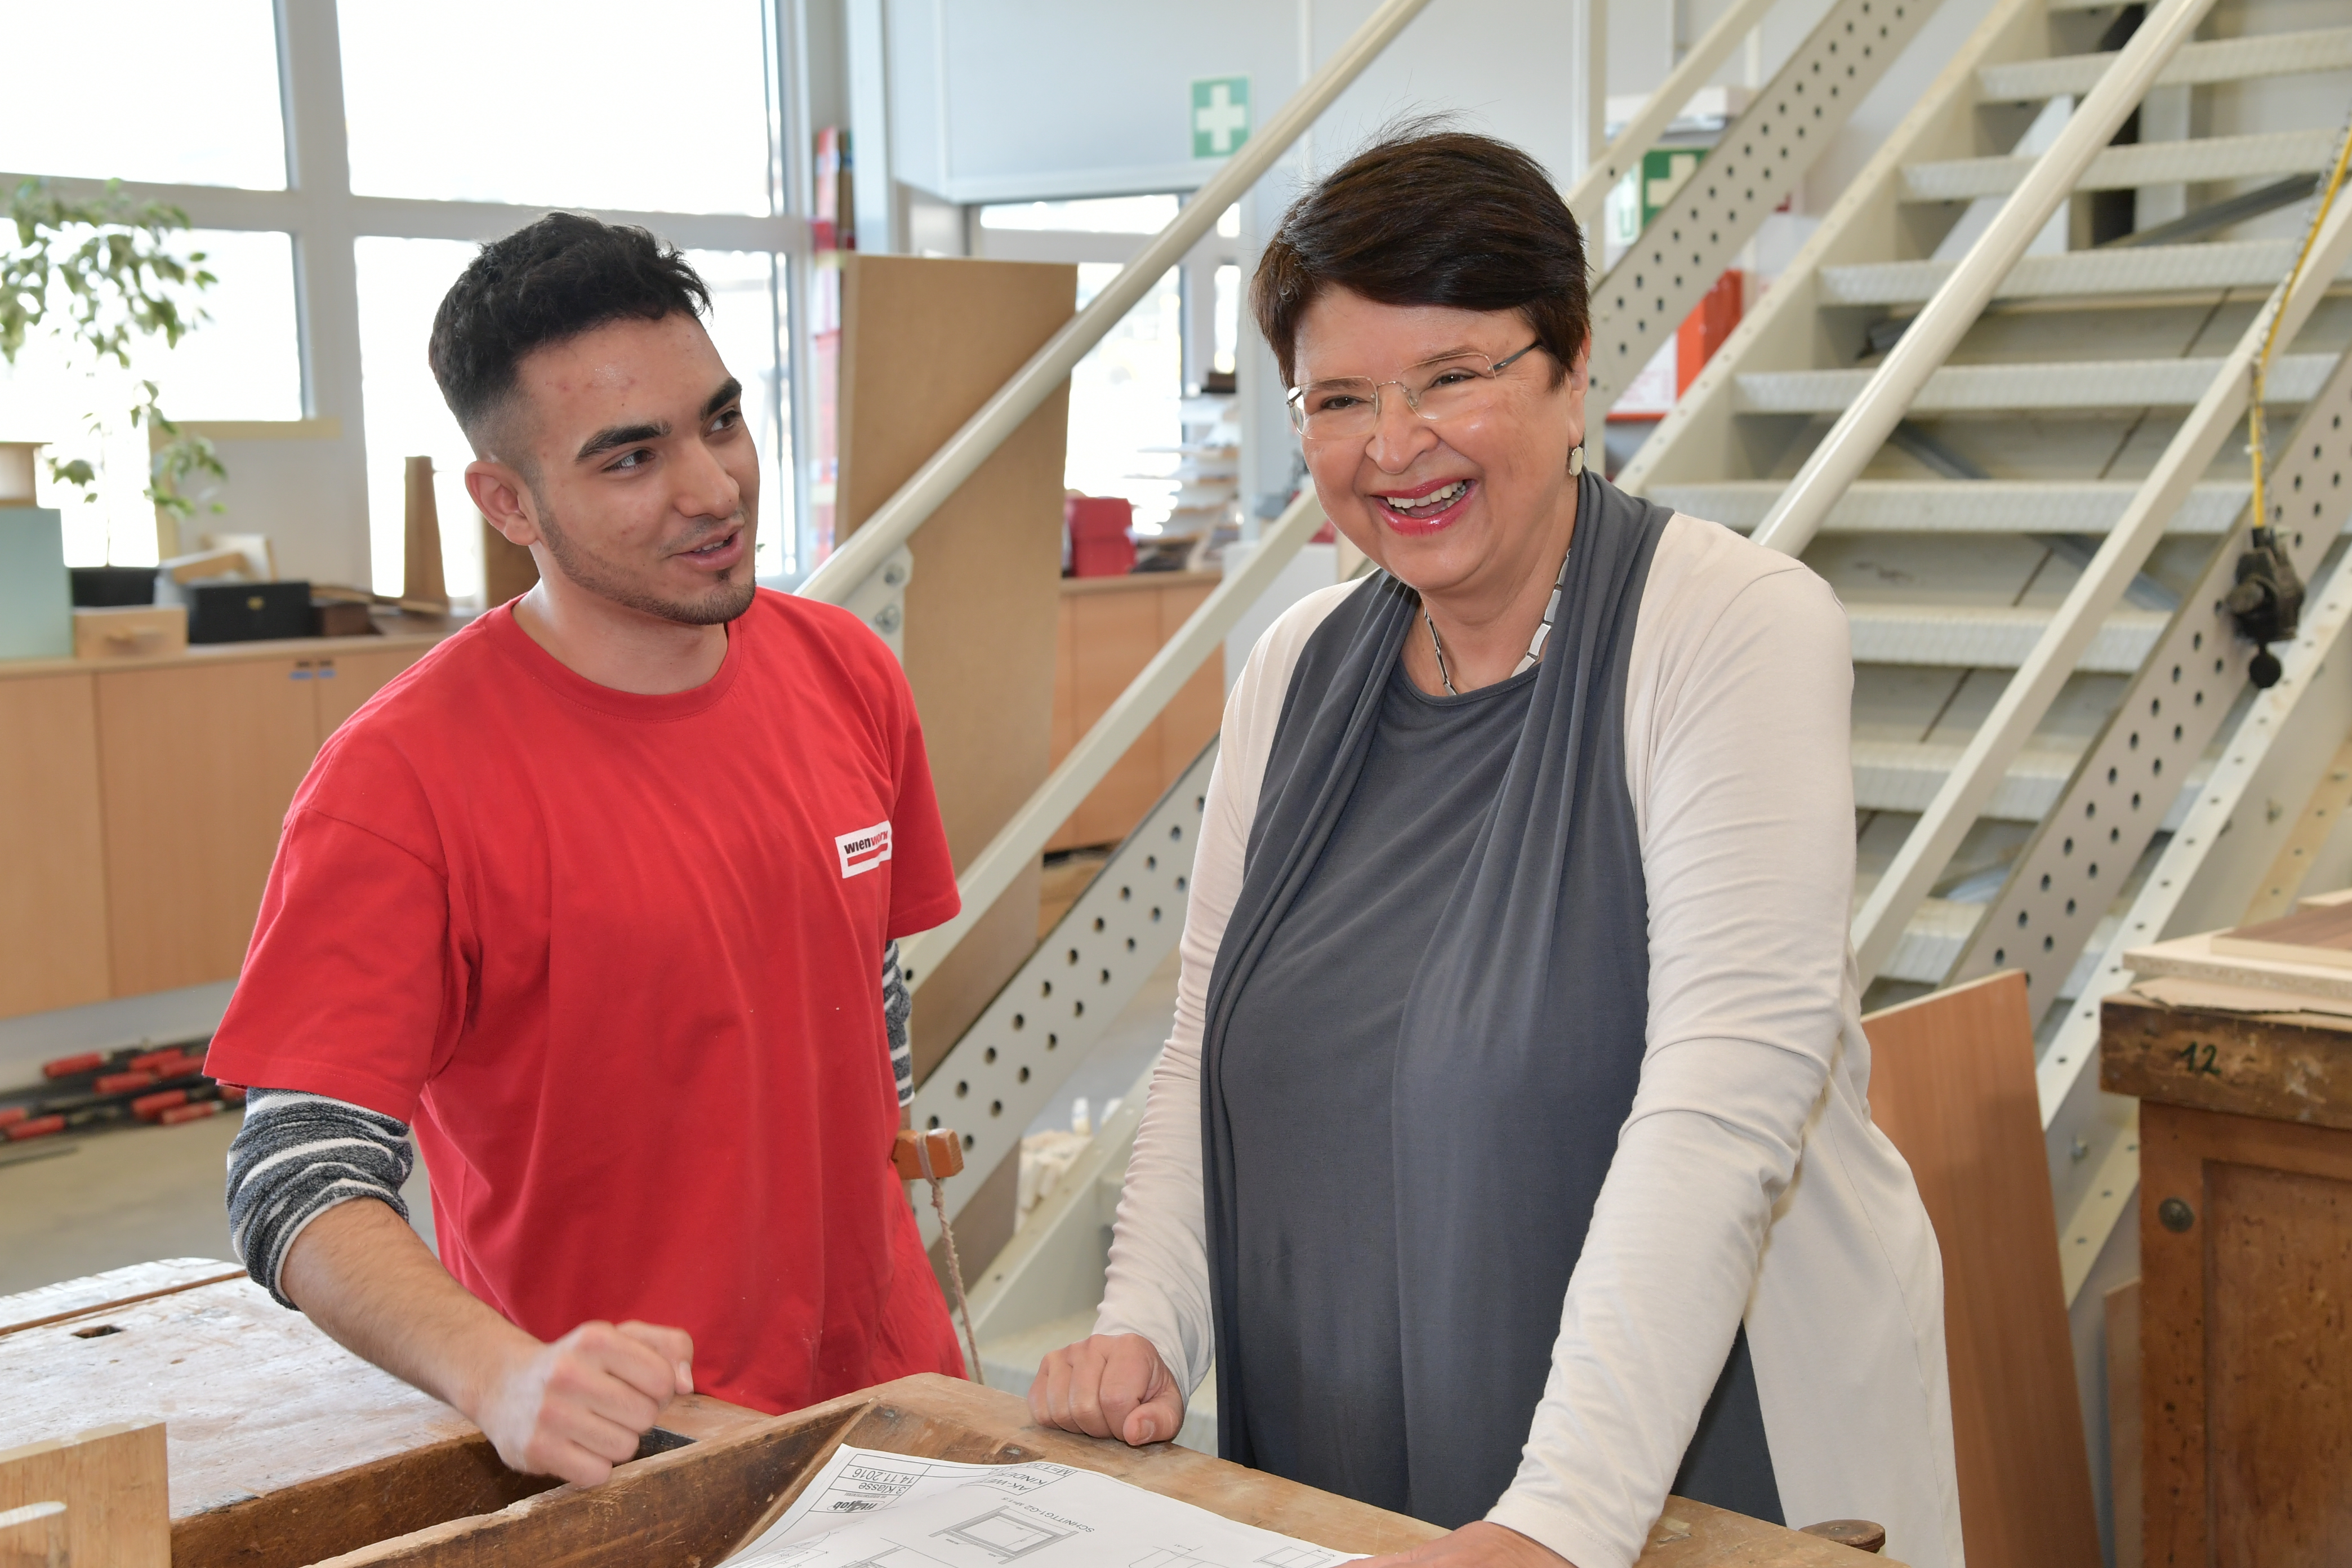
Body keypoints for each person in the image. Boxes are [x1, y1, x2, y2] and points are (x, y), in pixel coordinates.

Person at [1028, 130, 1963, 1568]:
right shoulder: (1295, 668)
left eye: (1452, 377)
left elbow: (1725, 1099)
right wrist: (1145, 1320)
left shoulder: (1731, 628)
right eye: (1338, 399)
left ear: (1573, 364)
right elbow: (1205, 1040)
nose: (1392, 448)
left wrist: (1556, 1523)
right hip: (1346, 1468)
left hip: (1677, 1478)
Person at [209, 213, 966, 1487]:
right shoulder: (401, 782)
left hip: (898, 1398)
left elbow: (865, 983)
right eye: (629, 459)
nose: (714, 489)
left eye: (720, 421)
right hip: (633, 1453)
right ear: (508, 500)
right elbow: (293, 1175)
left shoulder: (848, 674)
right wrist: (498, 1370)